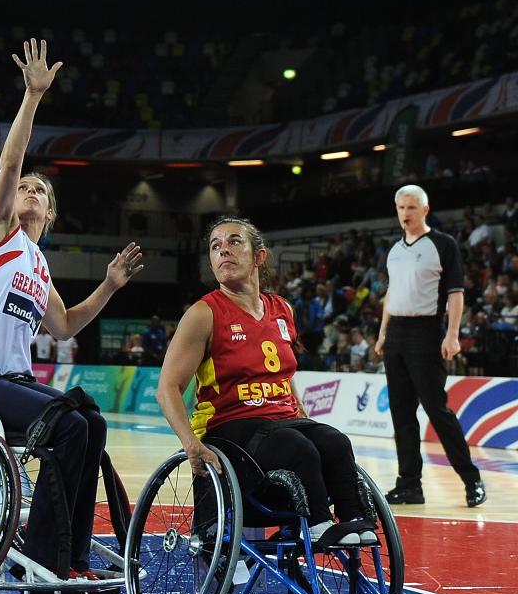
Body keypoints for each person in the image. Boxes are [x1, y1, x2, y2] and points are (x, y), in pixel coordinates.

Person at [0, 39, 143, 581]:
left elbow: (64, 323)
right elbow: (10, 161)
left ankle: (73, 559)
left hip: (14, 380)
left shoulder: (38, 265)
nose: (28, 189)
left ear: (50, 214)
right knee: (69, 427)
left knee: (92, 422)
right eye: (25, 187)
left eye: (39, 190)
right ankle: (41, 555)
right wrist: (33, 97)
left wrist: (108, 286)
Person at [156, 217, 377, 548]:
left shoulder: (282, 309)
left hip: (281, 420)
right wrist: (191, 444)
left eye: (234, 242)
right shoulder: (204, 313)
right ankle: (318, 525)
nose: (223, 251)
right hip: (231, 427)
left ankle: (354, 521)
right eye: (215, 246)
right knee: (296, 447)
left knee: (334, 441)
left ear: (259, 256)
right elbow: (167, 388)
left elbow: (284, 376)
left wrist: (301, 414)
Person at [374, 185, 485, 507]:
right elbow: (391, 295)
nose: (405, 213)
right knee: (401, 413)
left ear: (425, 210)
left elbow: (455, 292)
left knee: (438, 410)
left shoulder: (443, 244)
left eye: (411, 207)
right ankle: (409, 484)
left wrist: (452, 334)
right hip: (397, 332)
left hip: (427, 331)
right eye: (400, 207)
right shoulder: (394, 250)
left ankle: (471, 479)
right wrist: (383, 334)